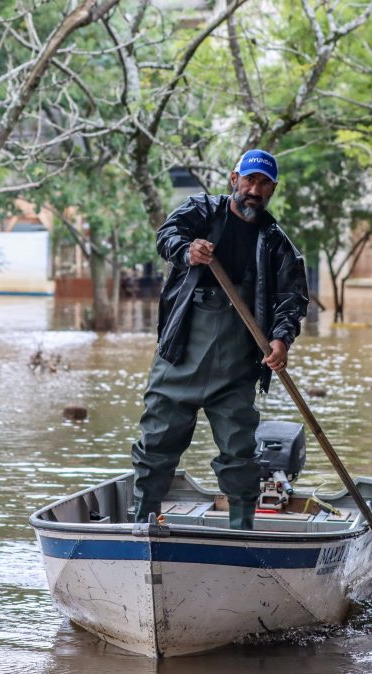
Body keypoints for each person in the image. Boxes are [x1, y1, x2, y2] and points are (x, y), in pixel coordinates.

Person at [130, 149, 309, 530]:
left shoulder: (277, 242)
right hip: (180, 353)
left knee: (239, 454)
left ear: (273, 189)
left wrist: (281, 341)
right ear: (234, 179)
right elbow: (167, 236)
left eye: (264, 184)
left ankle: (241, 530)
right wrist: (187, 250)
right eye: (249, 180)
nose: (254, 190)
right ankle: (142, 522)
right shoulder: (201, 212)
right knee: (157, 444)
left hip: (238, 365)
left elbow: (293, 299)